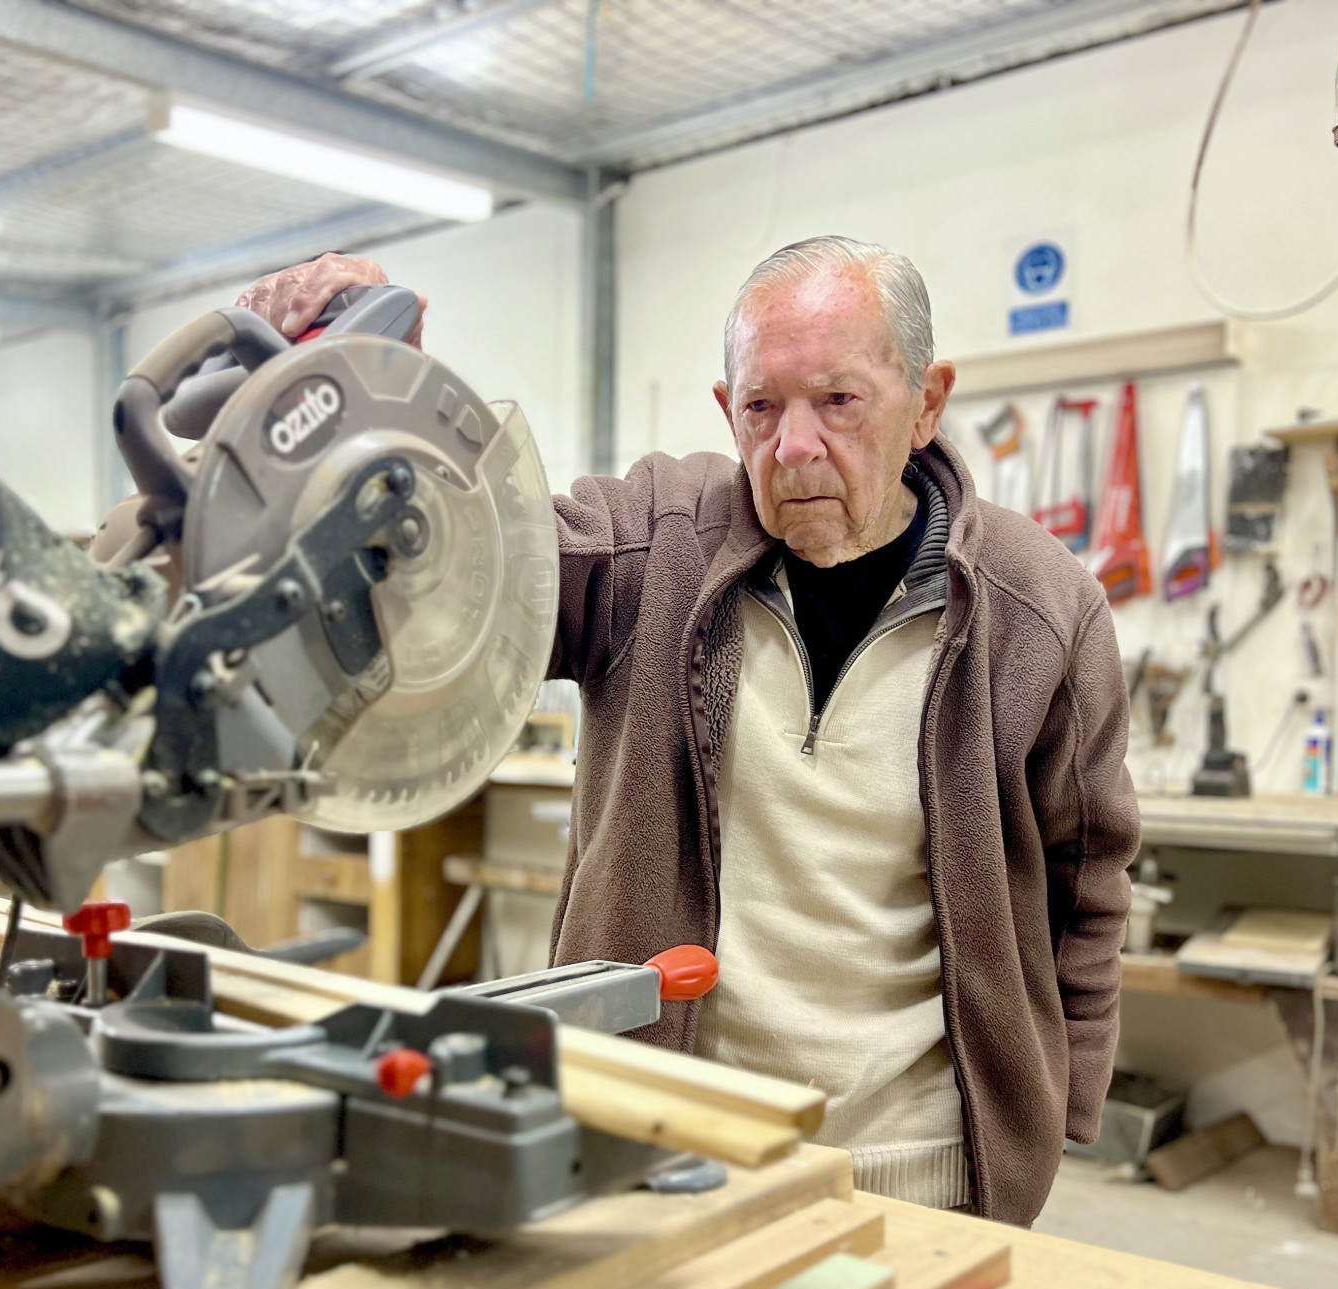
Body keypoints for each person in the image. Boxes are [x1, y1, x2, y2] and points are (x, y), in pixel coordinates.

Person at [234, 237, 1138, 1225]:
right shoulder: (655, 545)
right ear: (726, 410)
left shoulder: (1039, 609)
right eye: (760, 407)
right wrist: (359, 393)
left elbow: (1085, 879)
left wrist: (1053, 1104)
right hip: (667, 1140)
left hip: (923, 1167)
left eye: (837, 401)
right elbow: (458, 565)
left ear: (925, 402)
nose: (792, 446)